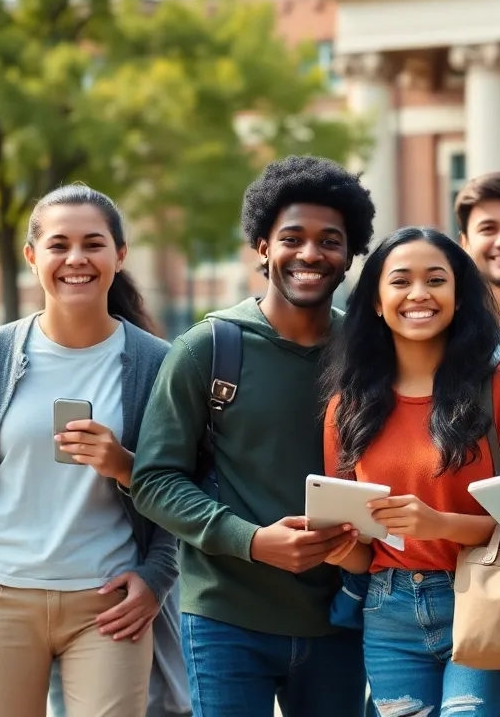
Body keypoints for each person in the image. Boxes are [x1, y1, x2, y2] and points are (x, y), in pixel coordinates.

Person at [131, 156, 377, 716]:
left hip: (340, 617)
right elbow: (153, 480)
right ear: (263, 246)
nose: (310, 253)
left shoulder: (368, 357)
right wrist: (252, 539)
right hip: (225, 616)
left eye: (330, 241)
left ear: (349, 254)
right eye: (292, 237)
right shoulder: (210, 348)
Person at [321, 226, 500, 717]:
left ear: (459, 297)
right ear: (378, 302)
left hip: (487, 599)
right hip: (389, 611)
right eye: (401, 281)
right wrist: (342, 549)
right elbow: (364, 554)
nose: (419, 294)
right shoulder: (348, 408)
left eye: (436, 280)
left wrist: (440, 525)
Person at [0, 185, 185, 717]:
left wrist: (156, 576)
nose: (76, 259)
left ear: (119, 256)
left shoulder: (158, 363)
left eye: (93, 244)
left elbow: (189, 486)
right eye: (58, 245)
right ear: (32, 257)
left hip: (110, 603)